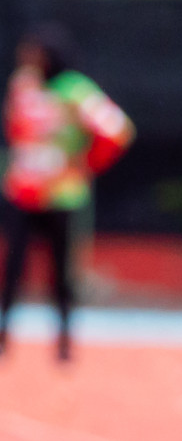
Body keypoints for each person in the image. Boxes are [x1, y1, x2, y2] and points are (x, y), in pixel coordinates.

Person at [0, 24, 135, 361]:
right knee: (12, 268)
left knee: (61, 272)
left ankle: (64, 342)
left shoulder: (76, 91)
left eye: (35, 53)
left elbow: (118, 130)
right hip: (23, 192)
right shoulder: (23, 86)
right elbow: (16, 131)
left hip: (62, 195)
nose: (28, 59)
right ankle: (4, 336)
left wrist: (85, 162)